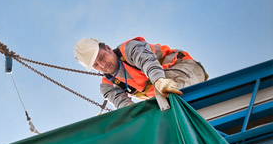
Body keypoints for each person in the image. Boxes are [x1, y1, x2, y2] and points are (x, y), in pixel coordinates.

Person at [74, 37, 208, 109]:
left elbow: (148, 63)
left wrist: (159, 80)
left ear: (108, 48)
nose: (102, 65)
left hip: (183, 70)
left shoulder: (130, 49)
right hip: (162, 96)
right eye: (96, 65)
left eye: (102, 57)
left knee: (176, 98)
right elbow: (126, 108)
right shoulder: (107, 86)